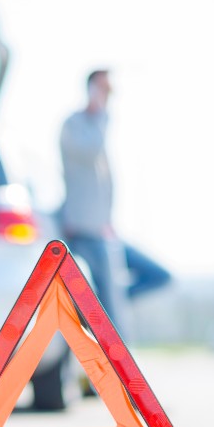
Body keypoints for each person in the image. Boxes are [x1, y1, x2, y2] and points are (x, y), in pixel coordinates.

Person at [59, 70, 171, 341]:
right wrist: (100, 112)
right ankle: (112, 375)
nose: (107, 97)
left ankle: (97, 306)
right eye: (103, 90)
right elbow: (90, 151)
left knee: (159, 276)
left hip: (106, 232)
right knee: (113, 320)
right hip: (85, 234)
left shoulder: (96, 125)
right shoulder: (75, 125)